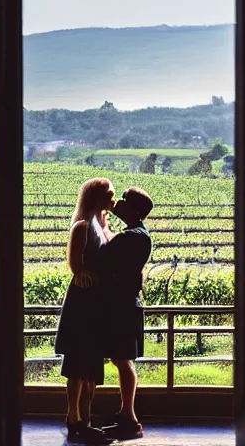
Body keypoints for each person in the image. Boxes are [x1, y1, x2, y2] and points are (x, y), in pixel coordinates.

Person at [54, 177, 115, 444]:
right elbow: (75, 265)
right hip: (84, 301)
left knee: (88, 362)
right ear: (97, 197)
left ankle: (83, 418)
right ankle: (75, 417)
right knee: (79, 362)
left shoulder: (99, 225)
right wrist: (84, 273)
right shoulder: (83, 225)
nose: (114, 199)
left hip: (93, 300)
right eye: (110, 195)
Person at [97, 187, 154, 440]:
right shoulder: (138, 234)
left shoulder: (131, 237)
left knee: (122, 360)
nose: (118, 202)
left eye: (124, 200)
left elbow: (102, 256)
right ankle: (126, 415)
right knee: (122, 360)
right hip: (126, 304)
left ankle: (129, 417)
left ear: (134, 209)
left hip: (121, 306)